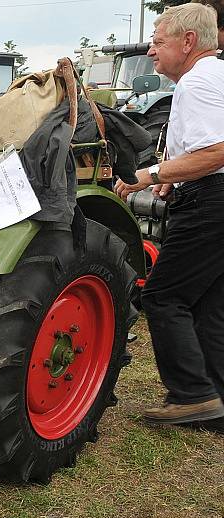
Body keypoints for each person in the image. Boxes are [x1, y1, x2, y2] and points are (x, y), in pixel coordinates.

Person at [114, 3, 224, 425]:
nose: (152, 51)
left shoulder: (196, 84)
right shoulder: (215, 76)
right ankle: (216, 401)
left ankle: (192, 395)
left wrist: (152, 172)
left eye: (159, 42)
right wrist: (175, 177)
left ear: (189, 41)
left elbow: (214, 153)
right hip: (213, 195)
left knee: (163, 296)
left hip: (211, 202)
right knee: (209, 305)